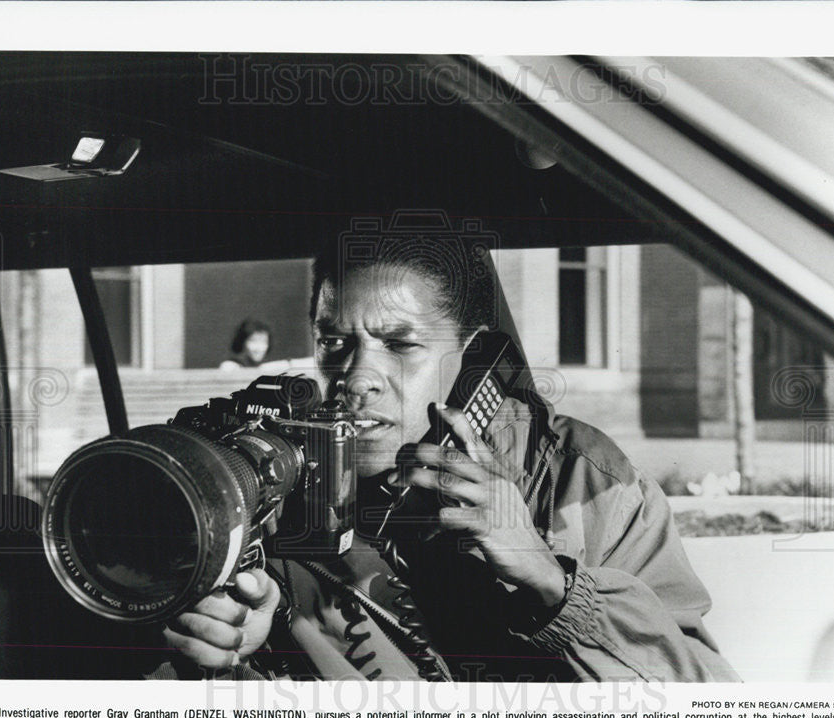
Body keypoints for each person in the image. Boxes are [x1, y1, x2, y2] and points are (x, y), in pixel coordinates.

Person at [154, 236, 739, 683]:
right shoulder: (276, 479)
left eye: (401, 344)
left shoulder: (582, 480)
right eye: (335, 342)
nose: (357, 377)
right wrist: (240, 661)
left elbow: (715, 714)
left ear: (472, 355)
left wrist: (552, 583)